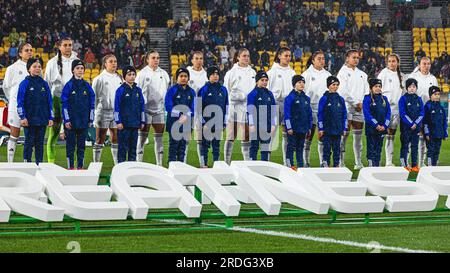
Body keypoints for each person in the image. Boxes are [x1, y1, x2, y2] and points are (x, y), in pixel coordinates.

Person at [44, 37, 79, 163]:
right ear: (59, 46)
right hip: (57, 100)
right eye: (65, 45)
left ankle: (72, 163)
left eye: (70, 45)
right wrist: (47, 104)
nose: (68, 47)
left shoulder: (77, 60)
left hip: (73, 101)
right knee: (54, 132)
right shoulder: (52, 63)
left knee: (72, 133)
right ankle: (50, 162)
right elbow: (47, 84)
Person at [135, 50, 171, 165]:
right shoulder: (142, 74)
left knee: (159, 139)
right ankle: (139, 164)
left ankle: (159, 165)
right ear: (147, 59)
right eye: (153, 58)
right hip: (145, 110)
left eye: (158, 58)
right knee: (142, 139)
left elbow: (166, 91)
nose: (156, 60)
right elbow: (138, 93)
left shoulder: (164, 74)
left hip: (159, 110)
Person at [337, 49, 369, 169]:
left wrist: (362, 103)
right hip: (347, 107)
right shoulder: (342, 72)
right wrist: (355, 103)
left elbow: (366, 91)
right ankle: (340, 161)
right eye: (353, 57)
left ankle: (358, 162)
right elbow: (343, 91)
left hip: (359, 108)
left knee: (358, 136)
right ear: (347, 58)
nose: (356, 59)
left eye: (357, 57)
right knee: (344, 135)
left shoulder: (362, 74)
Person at [17, 58, 54, 164]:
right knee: (29, 143)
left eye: (39, 66)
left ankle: (39, 165)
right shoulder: (24, 83)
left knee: (39, 144)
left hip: (42, 120)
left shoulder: (44, 84)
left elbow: (49, 102)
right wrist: (22, 117)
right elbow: (20, 102)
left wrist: (50, 117)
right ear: (28, 69)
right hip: (29, 120)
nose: (37, 68)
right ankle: (26, 164)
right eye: (34, 66)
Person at [223, 48, 256, 164]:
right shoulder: (231, 73)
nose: (246, 58)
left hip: (248, 107)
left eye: (248, 56)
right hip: (234, 107)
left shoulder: (253, 72)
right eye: (244, 56)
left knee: (246, 134)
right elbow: (225, 91)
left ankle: (247, 162)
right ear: (237, 57)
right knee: (232, 134)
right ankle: (226, 162)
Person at [61, 60, 95, 169]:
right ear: (73, 70)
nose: (80, 70)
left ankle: (80, 167)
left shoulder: (87, 86)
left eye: (82, 68)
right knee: (70, 146)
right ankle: (70, 167)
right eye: (77, 68)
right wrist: (66, 120)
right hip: (71, 122)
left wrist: (90, 119)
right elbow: (64, 104)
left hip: (83, 121)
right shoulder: (68, 85)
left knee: (81, 146)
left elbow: (92, 104)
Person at [3, 43, 33, 162]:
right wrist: (13, 101)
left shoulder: (35, 67)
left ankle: (27, 162)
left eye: (31, 50)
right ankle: (10, 162)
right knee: (14, 134)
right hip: (16, 106)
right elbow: (6, 87)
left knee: (29, 135)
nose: (29, 52)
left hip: (31, 107)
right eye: (26, 50)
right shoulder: (12, 68)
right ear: (20, 53)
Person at [301, 50, 332, 167]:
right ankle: (306, 163)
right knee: (308, 137)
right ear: (313, 60)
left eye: (323, 58)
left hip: (324, 110)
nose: (321, 61)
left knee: (322, 137)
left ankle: (322, 162)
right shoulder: (306, 74)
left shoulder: (328, 75)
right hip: (310, 109)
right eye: (319, 58)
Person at [92, 54, 123, 164]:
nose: (114, 63)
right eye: (111, 61)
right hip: (103, 112)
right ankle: (96, 165)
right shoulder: (99, 79)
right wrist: (95, 113)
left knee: (115, 139)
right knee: (100, 139)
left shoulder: (120, 78)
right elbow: (94, 97)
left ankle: (117, 165)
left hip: (116, 112)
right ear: (105, 64)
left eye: (115, 61)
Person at [408, 56, 438, 167]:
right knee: (413, 137)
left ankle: (421, 162)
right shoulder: (413, 77)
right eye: (424, 63)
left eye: (428, 64)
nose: (426, 66)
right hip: (415, 111)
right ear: (419, 65)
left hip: (429, 111)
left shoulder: (433, 78)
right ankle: (411, 162)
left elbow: (435, 95)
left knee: (426, 136)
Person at [267, 47, 296, 163]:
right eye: (286, 55)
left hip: (288, 105)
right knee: (271, 133)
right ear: (279, 56)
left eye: (289, 56)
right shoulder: (271, 72)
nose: (288, 58)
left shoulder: (292, 72)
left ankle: (286, 161)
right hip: (274, 104)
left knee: (287, 132)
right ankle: (266, 161)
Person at [197, 66, 228, 167]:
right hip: (206, 123)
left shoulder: (223, 89)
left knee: (216, 145)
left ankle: (216, 163)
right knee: (205, 145)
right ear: (208, 76)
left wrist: (225, 122)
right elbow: (198, 108)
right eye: (213, 74)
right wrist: (202, 123)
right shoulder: (203, 90)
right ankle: (203, 164)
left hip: (218, 122)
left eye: (217, 74)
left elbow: (226, 106)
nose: (215, 76)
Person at [114, 66, 146, 163]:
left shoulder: (138, 90)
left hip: (135, 124)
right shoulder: (120, 90)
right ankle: (120, 170)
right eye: (129, 75)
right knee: (122, 149)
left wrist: (142, 120)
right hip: (124, 125)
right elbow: (116, 108)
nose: (132, 77)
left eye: (133, 74)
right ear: (124, 77)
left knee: (133, 149)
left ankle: (131, 169)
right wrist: (118, 121)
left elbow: (142, 107)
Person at [378, 53, 404, 166]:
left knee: (391, 135)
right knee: (380, 135)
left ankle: (389, 161)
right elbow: (377, 90)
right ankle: (376, 160)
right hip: (385, 109)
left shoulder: (401, 76)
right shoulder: (383, 73)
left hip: (396, 109)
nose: (392, 63)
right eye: (389, 61)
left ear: (398, 63)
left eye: (394, 61)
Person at [165, 68, 196, 163]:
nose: (183, 78)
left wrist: (186, 115)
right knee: (173, 146)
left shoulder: (192, 92)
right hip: (174, 123)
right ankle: (172, 167)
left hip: (186, 123)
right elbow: (168, 106)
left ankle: (181, 167)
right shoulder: (172, 90)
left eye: (185, 76)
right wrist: (179, 115)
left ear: (188, 78)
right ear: (177, 78)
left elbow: (194, 107)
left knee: (183, 147)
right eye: (181, 76)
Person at [318, 76, 348, 168]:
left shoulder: (340, 99)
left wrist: (345, 127)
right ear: (328, 86)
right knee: (326, 149)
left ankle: (336, 165)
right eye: (333, 84)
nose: (335, 86)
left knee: (337, 149)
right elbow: (320, 114)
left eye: (337, 85)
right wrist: (321, 128)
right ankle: (325, 164)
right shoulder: (324, 98)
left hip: (338, 129)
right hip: (327, 129)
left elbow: (344, 114)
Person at [247, 70, 277, 161]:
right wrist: (251, 124)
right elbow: (250, 110)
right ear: (257, 81)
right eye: (262, 80)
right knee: (254, 147)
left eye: (266, 80)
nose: (265, 82)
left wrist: (273, 124)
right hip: (256, 126)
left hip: (266, 125)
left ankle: (264, 167)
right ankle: (252, 167)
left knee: (265, 148)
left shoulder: (269, 94)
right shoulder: (252, 94)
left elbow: (273, 110)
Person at [284, 75, 312, 169]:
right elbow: (286, 114)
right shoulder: (289, 98)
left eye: (303, 82)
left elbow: (309, 114)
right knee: (291, 147)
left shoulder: (306, 98)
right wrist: (289, 127)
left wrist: (309, 127)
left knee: (300, 148)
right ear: (294, 84)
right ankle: (290, 165)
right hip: (293, 128)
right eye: (299, 82)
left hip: (303, 128)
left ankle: (300, 166)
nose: (302, 84)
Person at [362, 78, 391, 167]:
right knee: (371, 147)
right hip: (371, 129)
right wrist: (376, 124)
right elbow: (367, 114)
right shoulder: (367, 99)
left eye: (379, 86)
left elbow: (388, 112)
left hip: (382, 128)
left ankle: (377, 164)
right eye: (376, 86)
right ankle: (371, 164)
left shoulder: (384, 99)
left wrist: (385, 125)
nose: (378, 88)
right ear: (371, 88)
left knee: (379, 147)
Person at [187, 51, 208, 165]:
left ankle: (202, 163)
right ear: (192, 60)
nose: (199, 61)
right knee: (185, 137)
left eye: (201, 58)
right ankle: (183, 163)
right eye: (196, 58)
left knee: (200, 137)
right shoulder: (187, 72)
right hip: (188, 108)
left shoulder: (206, 74)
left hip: (202, 109)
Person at [399, 78, 424, 172]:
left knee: (414, 146)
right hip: (406, 128)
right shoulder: (403, 99)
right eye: (410, 87)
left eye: (414, 87)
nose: (412, 88)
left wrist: (416, 123)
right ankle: (404, 164)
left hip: (416, 128)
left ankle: (414, 165)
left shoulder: (419, 99)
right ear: (407, 88)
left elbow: (422, 113)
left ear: (416, 88)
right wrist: (411, 123)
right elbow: (402, 113)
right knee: (405, 146)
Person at [423, 86, 448, 166]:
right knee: (431, 150)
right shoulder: (427, 106)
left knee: (437, 151)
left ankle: (434, 166)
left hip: (439, 134)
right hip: (431, 134)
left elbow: (444, 121)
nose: (437, 96)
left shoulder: (441, 107)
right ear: (430, 95)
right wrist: (426, 133)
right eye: (435, 94)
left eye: (438, 94)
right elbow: (425, 121)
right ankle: (430, 166)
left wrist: (445, 133)